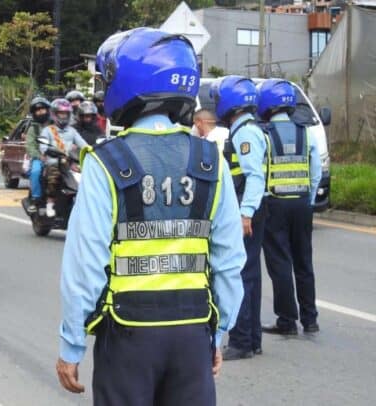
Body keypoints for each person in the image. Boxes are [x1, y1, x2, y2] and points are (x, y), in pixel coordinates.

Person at [56, 28, 245, 405]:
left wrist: (71, 345)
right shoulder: (211, 162)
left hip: (128, 338)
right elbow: (229, 262)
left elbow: (85, 266)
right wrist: (217, 333)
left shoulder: (105, 163)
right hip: (192, 335)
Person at [210, 75, 269, 360]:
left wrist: (246, 214)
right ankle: (252, 339)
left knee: (241, 274)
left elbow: (254, 176)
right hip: (253, 208)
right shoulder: (247, 129)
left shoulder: (245, 133)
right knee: (251, 275)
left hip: (247, 210)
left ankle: (241, 341)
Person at [257, 79, 322, 336]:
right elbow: (315, 172)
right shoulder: (306, 132)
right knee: (304, 261)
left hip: (275, 204)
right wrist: (310, 199)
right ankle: (310, 319)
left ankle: (287, 321)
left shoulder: (264, 135)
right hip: (303, 204)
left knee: (280, 262)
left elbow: (260, 175)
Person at [39, 98, 87, 218]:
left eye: (66, 114)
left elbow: (83, 144)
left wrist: (93, 150)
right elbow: (43, 146)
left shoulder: (72, 131)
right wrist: (49, 150)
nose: (63, 116)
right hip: (54, 163)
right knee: (54, 176)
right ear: (54, 114)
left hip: (70, 163)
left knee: (86, 177)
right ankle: (50, 203)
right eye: (61, 113)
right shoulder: (48, 130)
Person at [25, 96, 52, 213]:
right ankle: (35, 199)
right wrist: (39, 156)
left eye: (43, 109)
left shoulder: (55, 125)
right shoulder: (33, 129)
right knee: (35, 172)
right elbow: (30, 145)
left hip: (57, 157)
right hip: (39, 158)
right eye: (37, 110)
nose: (40, 112)